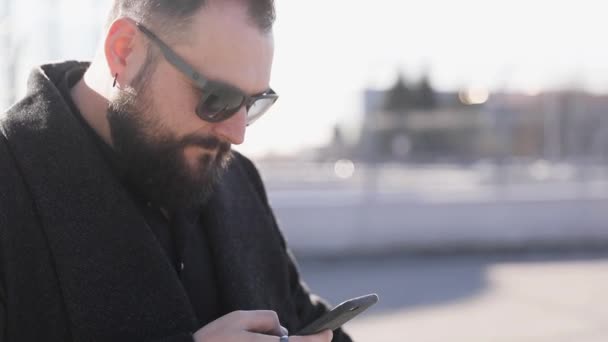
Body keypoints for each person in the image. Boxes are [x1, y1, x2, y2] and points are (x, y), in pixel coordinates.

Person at [0, 0, 353, 341]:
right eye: (218, 98)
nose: (237, 134)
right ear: (123, 52)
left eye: (251, 104)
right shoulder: (12, 179)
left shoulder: (237, 177)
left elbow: (299, 315)